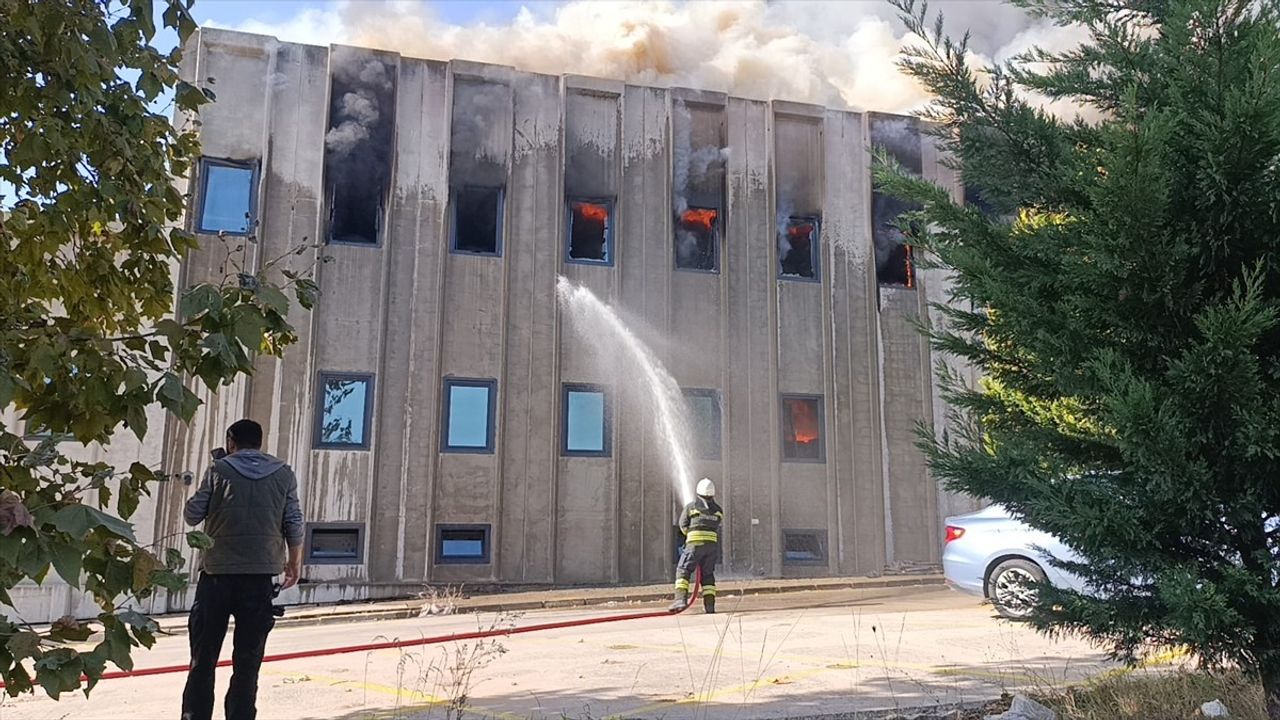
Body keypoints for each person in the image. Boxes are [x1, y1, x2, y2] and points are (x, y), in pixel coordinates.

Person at [181, 419, 304, 720]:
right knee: (248, 662)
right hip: (260, 578)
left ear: (231, 441)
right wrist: (294, 562)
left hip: (216, 576)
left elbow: (191, 515)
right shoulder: (284, 473)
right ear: (260, 442)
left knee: (203, 659)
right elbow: (294, 522)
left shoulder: (218, 470)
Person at [668, 477, 723, 614]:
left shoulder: (691, 507)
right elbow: (715, 525)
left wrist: (690, 535)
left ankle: (680, 600)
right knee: (708, 576)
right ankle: (710, 606)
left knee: (683, 570)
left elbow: (682, 524)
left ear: (698, 492)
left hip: (694, 546)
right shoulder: (718, 511)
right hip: (711, 548)